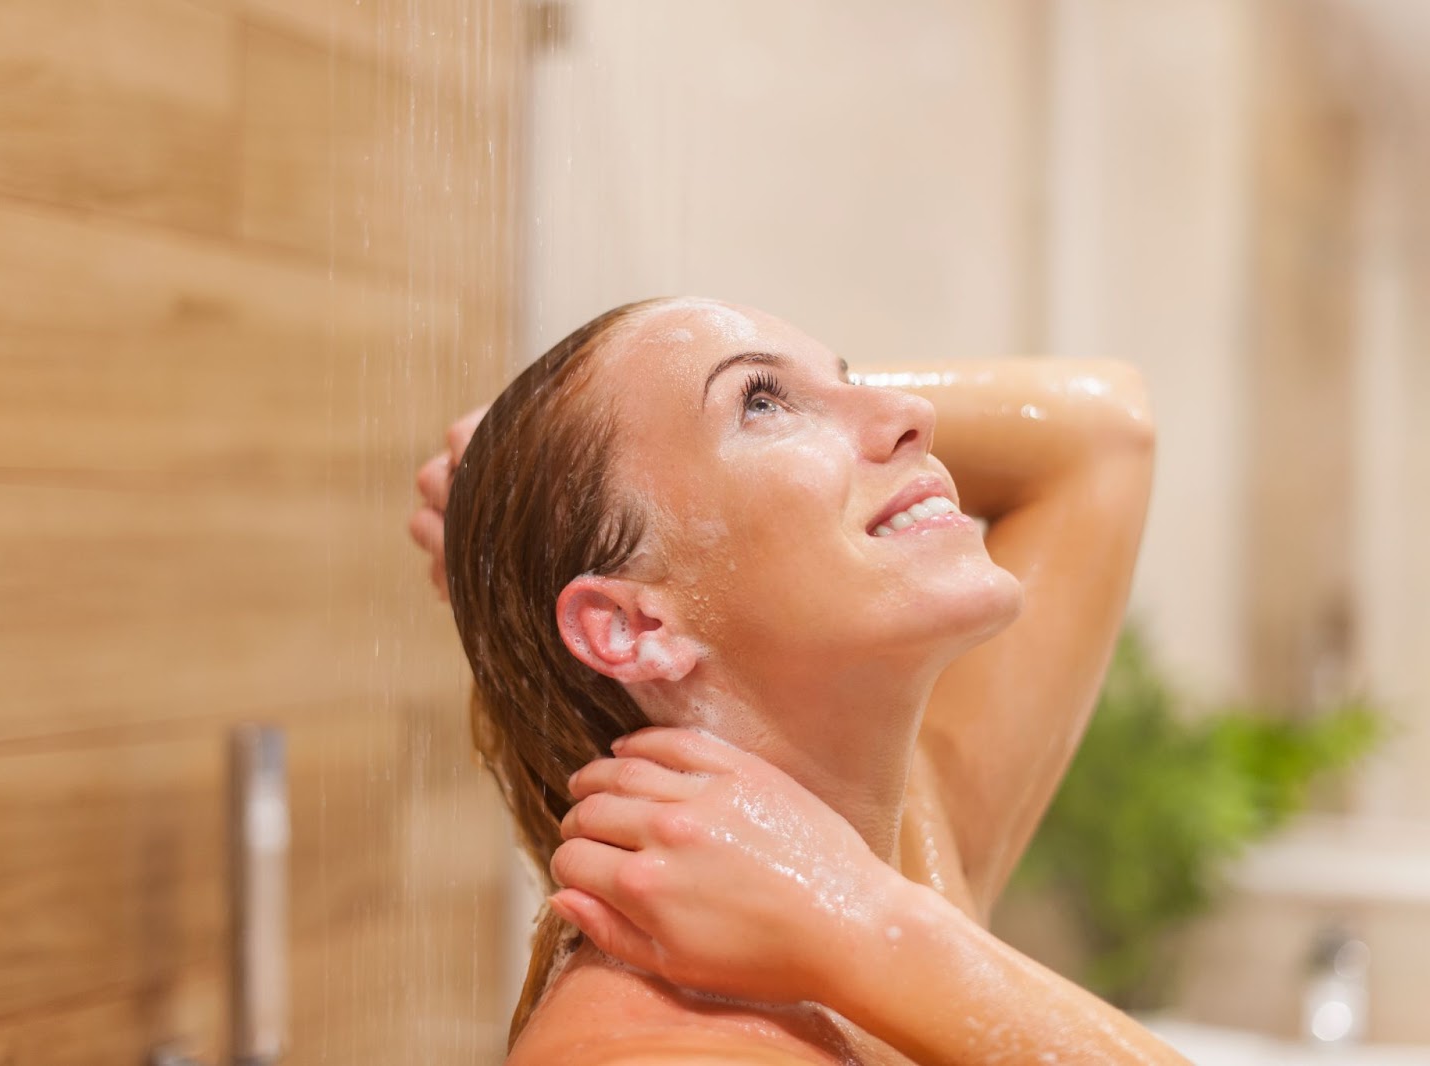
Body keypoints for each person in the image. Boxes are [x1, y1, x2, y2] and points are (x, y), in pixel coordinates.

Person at [409, 297, 1184, 1064]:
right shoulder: (658, 1052)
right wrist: (865, 924)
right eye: (761, 402)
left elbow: (1098, 431)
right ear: (633, 626)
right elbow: (1096, 434)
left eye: (849, 377)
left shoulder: (903, 845)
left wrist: (523, 483)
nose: (912, 409)